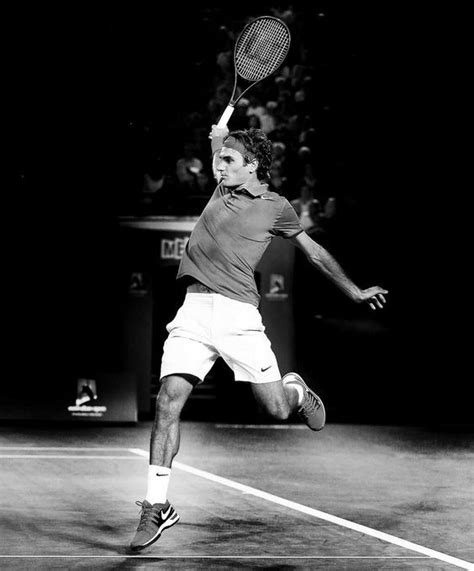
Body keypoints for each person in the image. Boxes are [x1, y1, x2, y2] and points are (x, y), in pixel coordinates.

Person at [129, 125, 388, 552]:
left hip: (238, 317)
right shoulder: (221, 185)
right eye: (219, 159)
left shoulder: (277, 207)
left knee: (275, 410)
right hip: (193, 312)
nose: (219, 165)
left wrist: (355, 291)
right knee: (166, 401)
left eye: (229, 160)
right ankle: (157, 505)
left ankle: (295, 390)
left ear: (253, 167)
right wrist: (220, 136)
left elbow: (315, 254)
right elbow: (220, 146)